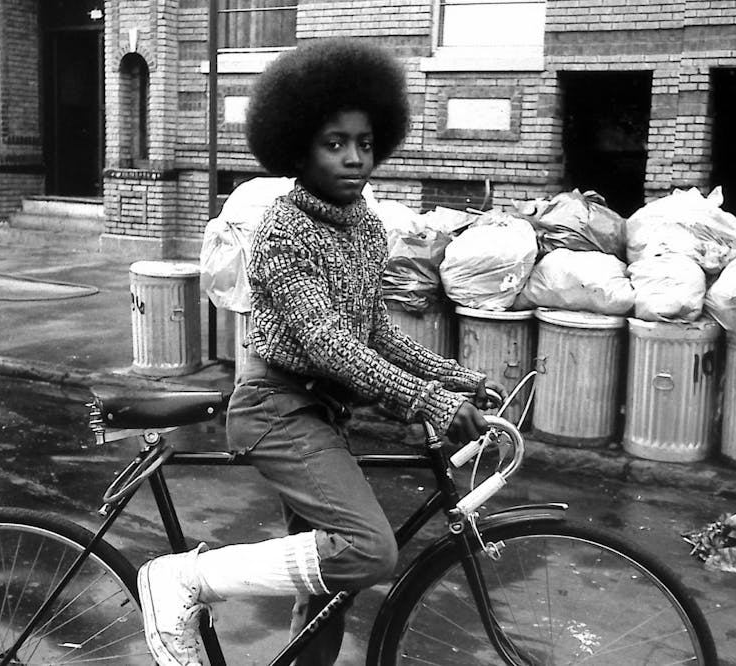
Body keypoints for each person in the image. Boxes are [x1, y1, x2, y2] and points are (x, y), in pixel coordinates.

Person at [137, 38, 502, 666]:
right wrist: (428, 403)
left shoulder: (363, 221)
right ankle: (182, 581)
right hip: (276, 410)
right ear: (299, 145)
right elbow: (327, 343)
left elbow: (371, 329)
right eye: (336, 143)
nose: (355, 158)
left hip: (320, 415)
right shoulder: (283, 230)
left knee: (330, 590)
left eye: (364, 143)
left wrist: (458, 378)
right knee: (369, 549)